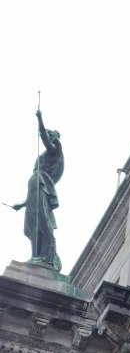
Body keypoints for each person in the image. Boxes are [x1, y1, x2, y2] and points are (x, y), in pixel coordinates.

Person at [12, 109, 64, 270]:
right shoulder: (44, 159)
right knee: (33, 224)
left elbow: (43, 136)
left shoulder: (55, 150)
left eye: (51, 135)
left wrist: (40, 119)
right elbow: (33, 193)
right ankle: (36, 256)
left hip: (42, 184)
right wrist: (22, 204)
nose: (48, 136)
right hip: (35, 184)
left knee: (42, 220)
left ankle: (48, 256)